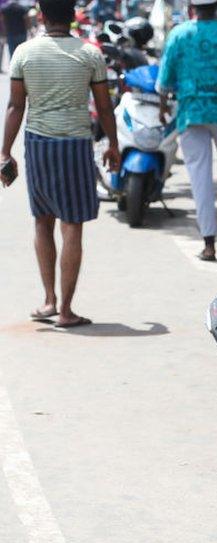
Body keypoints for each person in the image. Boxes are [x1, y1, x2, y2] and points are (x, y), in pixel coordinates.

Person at [0, 0, 121, 327]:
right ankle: (66, 310)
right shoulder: (90, 53)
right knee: (72, 226)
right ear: (73, 16)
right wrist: (113, 144)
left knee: (42, 221)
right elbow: (105, 107)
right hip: (75, 146)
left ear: (41, 15)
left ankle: (49, 300)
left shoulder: (24, 52)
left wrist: (5, 151)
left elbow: (15, 106)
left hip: (38, 145)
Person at [158, 0, 217, 261]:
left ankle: (208, 244)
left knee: (199, 176)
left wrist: (163, 106)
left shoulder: (179, 34)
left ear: (192, 8)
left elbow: (165, 78)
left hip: (191, 112)